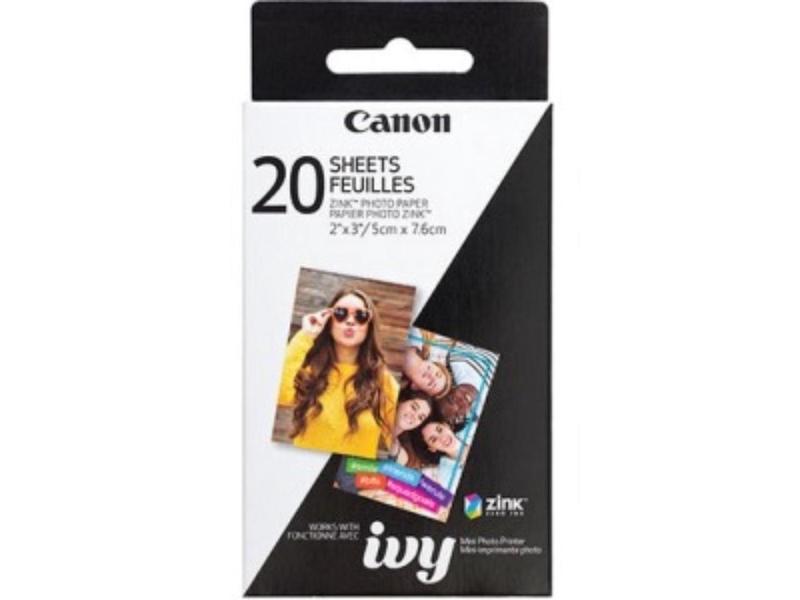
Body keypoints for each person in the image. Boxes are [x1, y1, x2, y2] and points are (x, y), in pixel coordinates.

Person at [277, 288, 399, 458]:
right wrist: (306, 335)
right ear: (329, 322)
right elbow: (279, 395)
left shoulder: (383, 382)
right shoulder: (310, 372)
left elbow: (401, 440)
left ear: (369, 326)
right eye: (341, 313)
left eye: (360, 316)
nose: (350, 321)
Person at [389, 389, 434, 466]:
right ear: (401, 401)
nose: (414, 416)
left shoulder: (401, 458)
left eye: (420, 417)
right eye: (414, 407)